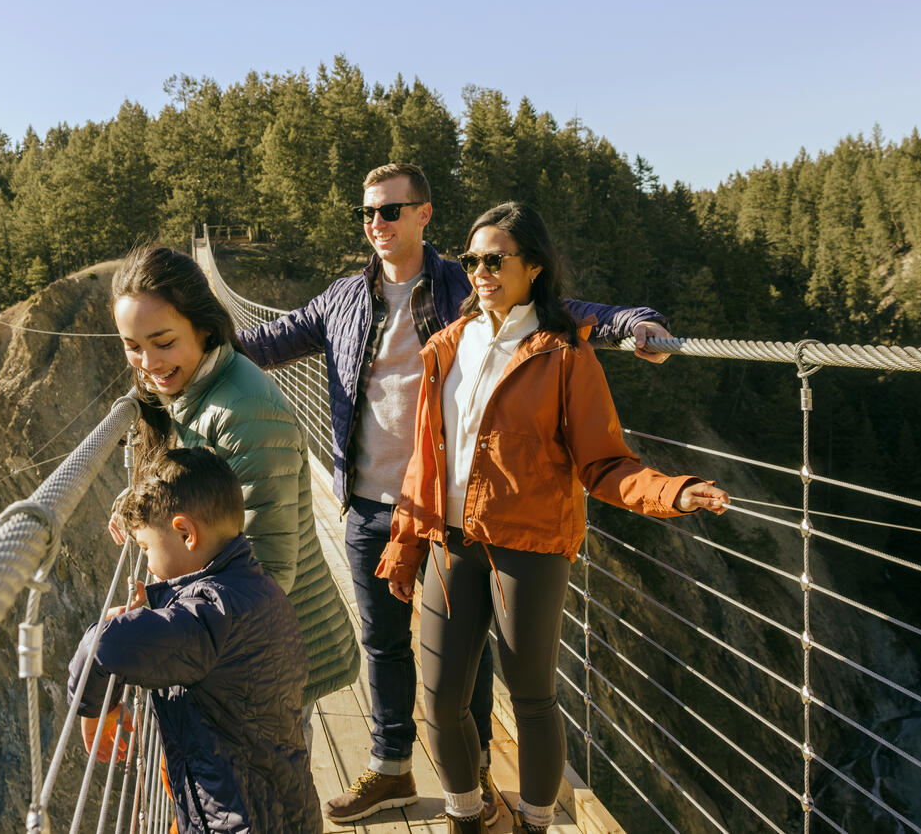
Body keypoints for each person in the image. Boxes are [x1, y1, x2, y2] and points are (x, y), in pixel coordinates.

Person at [238, 163, 674, 825]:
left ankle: (472, 784)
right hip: (366, 500)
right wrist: (187, 357)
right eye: (366, 214)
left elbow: (558, 315)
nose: (375, 225)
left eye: (389, 211)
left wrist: (632, 323)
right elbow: (267, 342)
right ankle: (391, 768)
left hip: (448, 509)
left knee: (461, 669)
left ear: (423, 215)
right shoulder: (341, 297)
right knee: (382, 643)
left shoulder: (460, 285)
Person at [375, 201, 730, 834]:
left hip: (528, 548)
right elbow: (422, 464)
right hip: (449, 542)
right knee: (437, 698)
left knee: (532, 699)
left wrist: (672, 492)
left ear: (533, 268)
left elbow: (603, 463)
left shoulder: (564, 354)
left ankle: (536, 823)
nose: (480, 271)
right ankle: (468, 813)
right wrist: (406, 542)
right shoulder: (448, 345)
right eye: (471, 260)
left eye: (495, 260)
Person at [109, 245, 360, 715]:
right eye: (132, 345)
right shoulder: (191, 390)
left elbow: (269, 571)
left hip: (275, 649)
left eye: (163, 342)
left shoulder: (245, 416)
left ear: (203, 328)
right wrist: (141, 503)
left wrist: (159, 634)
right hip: (248, 640)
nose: (147, 363)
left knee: (273, 785)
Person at [69, 447, 320, 833]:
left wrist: (94, 709)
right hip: (283, 804)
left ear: (186, 533)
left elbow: (105, 647)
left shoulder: (207, 619)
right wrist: (157, 613)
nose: (148, 565)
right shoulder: (256, 588)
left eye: (146, 549)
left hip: (235, 819)